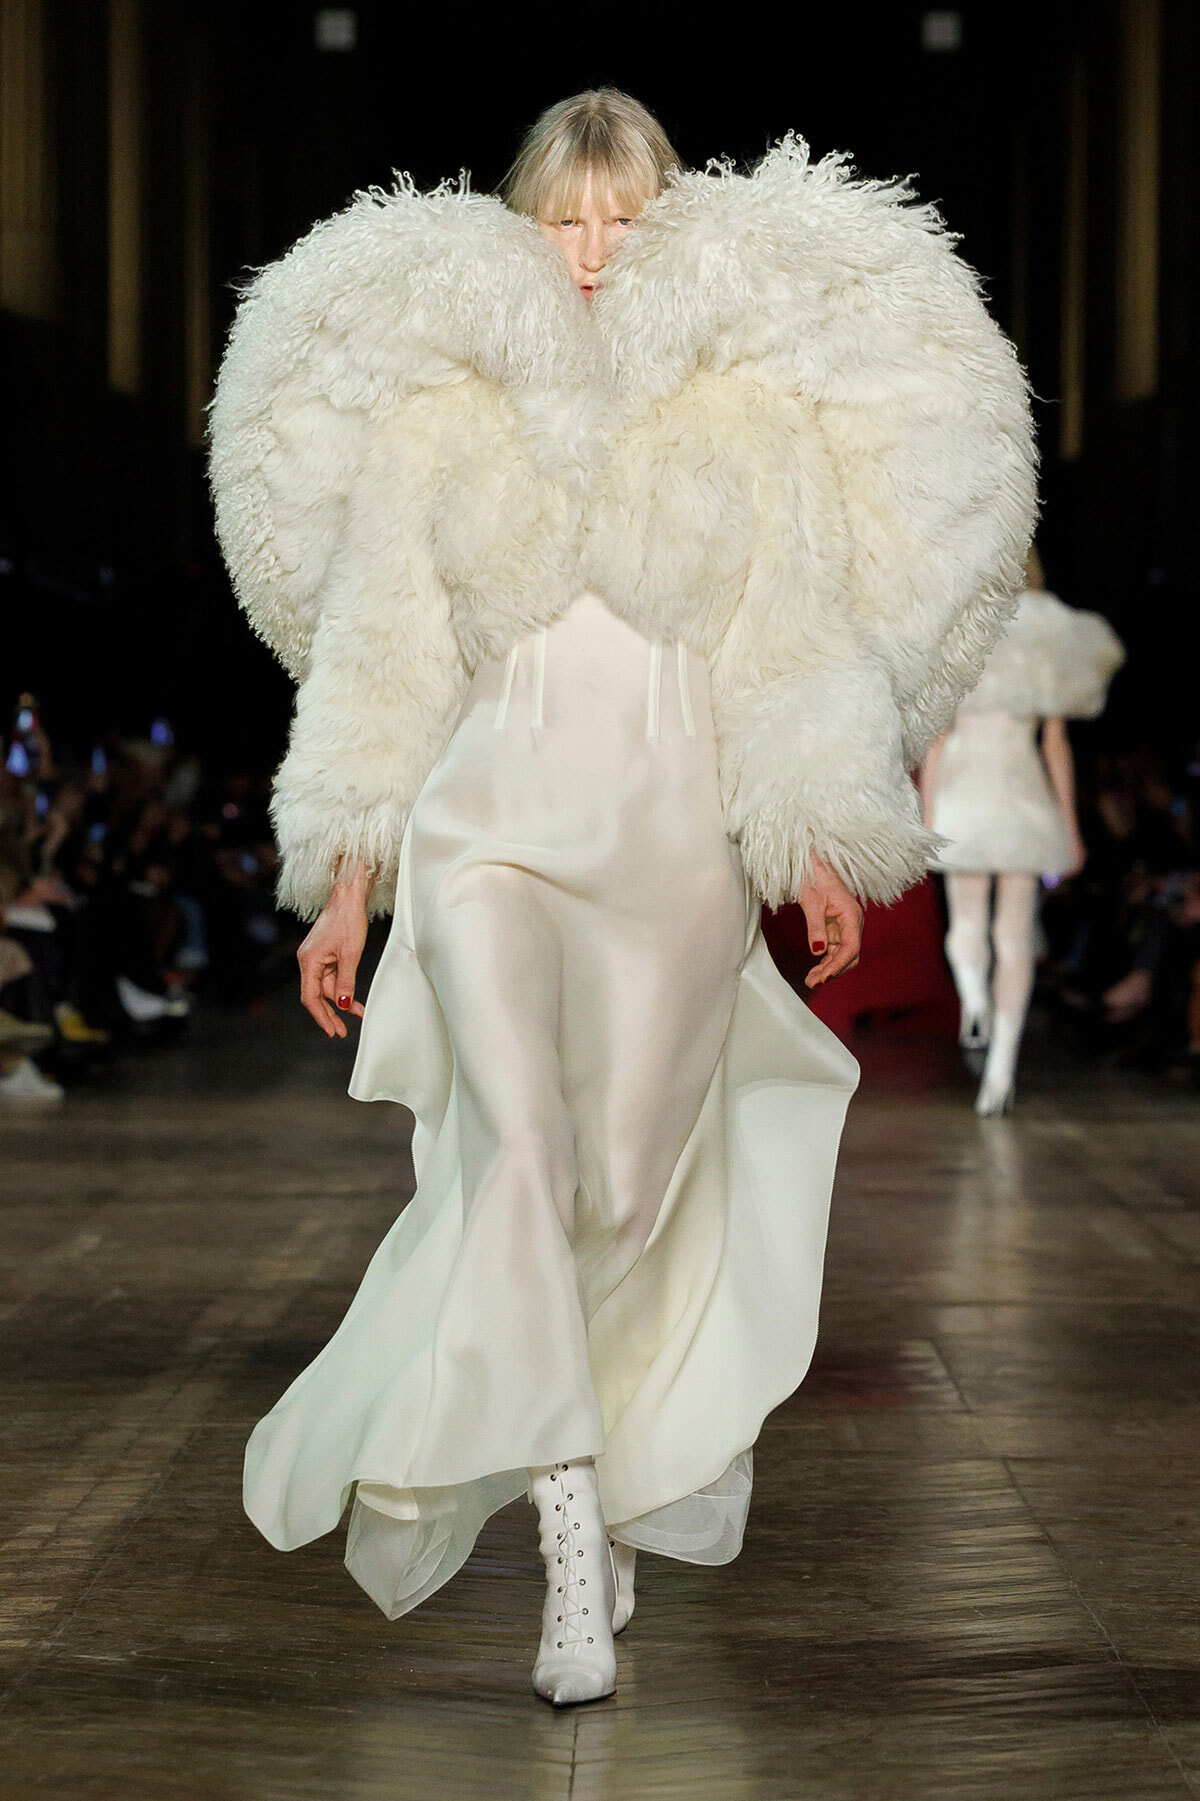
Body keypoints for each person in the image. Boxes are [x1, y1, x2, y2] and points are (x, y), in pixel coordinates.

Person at [209, 89, 1035, 1705]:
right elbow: (382, 662)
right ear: (518, 226)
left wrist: (813, 837)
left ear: (670, 226)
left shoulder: (748, 416)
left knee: (629, 1197)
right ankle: (569, 1543)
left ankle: (616, 1456)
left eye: (623, 218)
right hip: (489, 834)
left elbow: (790, 645)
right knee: (518, 1156)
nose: (592, 252)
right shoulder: (437, 417)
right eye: (563, 218)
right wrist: (348, 884)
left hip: (675, 848)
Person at [921, 551, 1124, 1114]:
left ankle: (971, 998)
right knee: (1014, 936)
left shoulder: (960, 629)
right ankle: (1003, 1069)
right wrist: (1071, 826)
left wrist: (925, 814)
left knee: (967, 922)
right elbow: (1055, 744)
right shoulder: (1047, 634)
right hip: (1023, 796)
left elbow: (937, 738)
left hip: (965, 790)